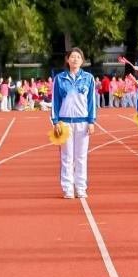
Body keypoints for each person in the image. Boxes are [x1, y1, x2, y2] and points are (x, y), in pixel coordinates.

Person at [52, 48, 98, 200]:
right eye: (72, 57)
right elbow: (55, 102)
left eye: (78, 57)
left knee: (81, 157)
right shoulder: (59, 79)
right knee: (67, 157)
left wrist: (91, 121)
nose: (75, 59)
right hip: (64, 123)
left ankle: (81, 187)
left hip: (83, 122)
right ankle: (67, 188)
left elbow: (92, 102)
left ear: (82, 61)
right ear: (67, 60)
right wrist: (56, 121)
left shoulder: (88, 78)